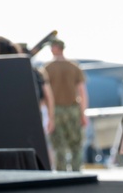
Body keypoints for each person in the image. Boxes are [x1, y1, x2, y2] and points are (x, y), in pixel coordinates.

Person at [43, 39, 88, 170]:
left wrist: (49, 116)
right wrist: (83, 113)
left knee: (59, 146)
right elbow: (82, 92)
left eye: (52, 47)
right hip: (73, 110)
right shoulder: (74, 67)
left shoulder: (47, 68)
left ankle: (62, 176)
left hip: (55, 111)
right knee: (76, 145)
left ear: (56, 48)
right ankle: (76, 173)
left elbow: (45, 94)